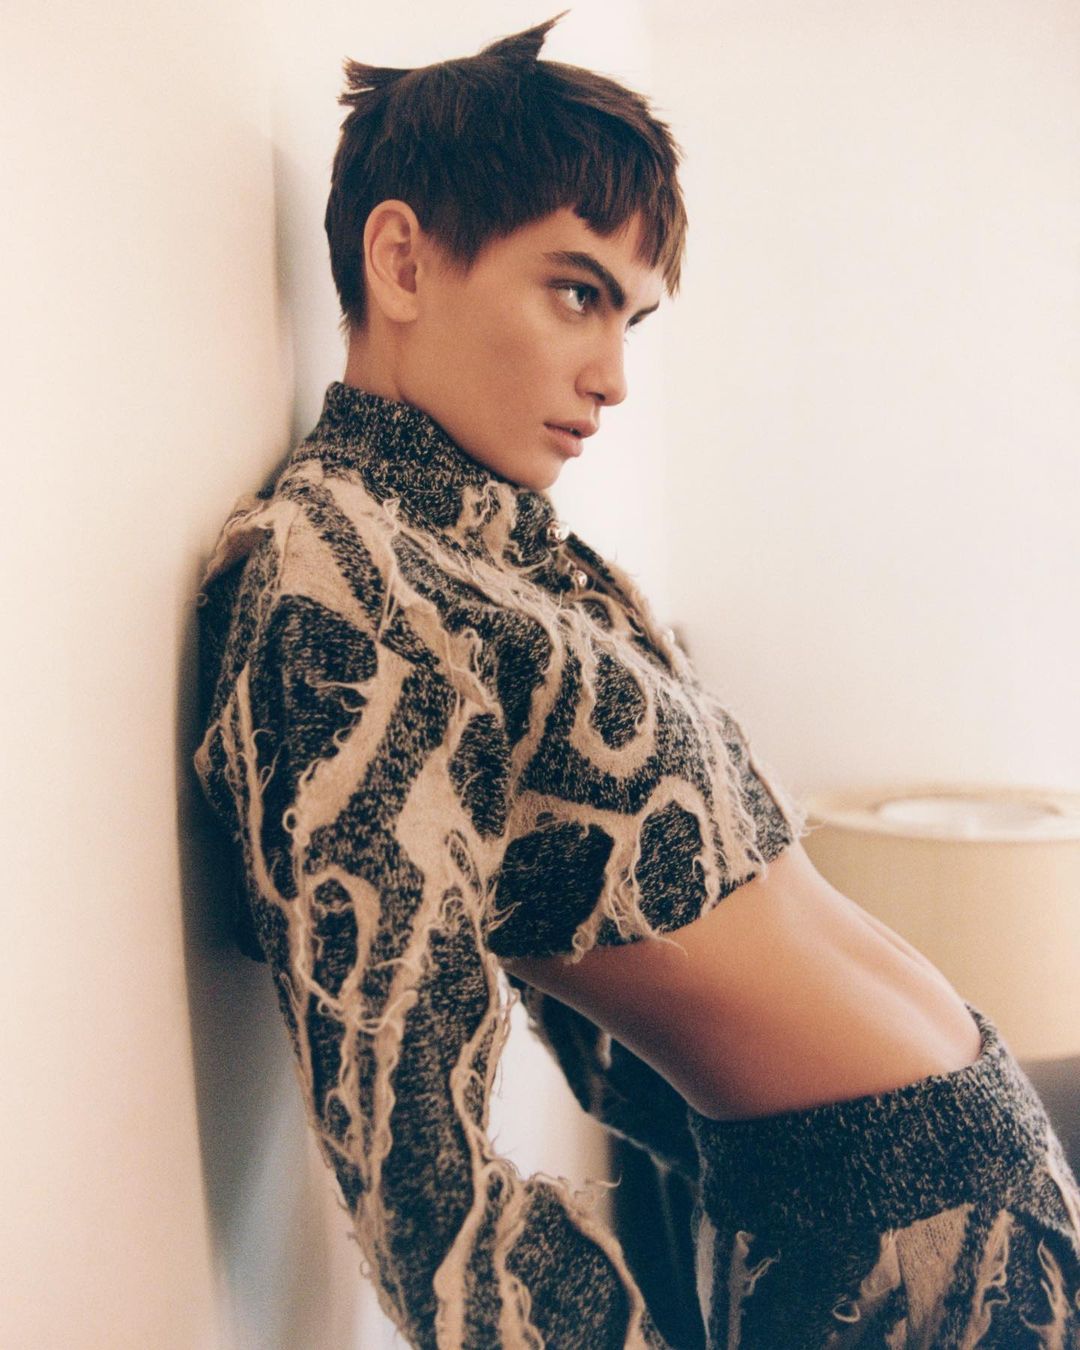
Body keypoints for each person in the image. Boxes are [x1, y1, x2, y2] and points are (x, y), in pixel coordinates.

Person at [192, 12, 1080, 1347]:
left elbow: (613, 978)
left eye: (632, 317)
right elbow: (422, 1182)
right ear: (402, 259)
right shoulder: (339, 585)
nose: (611, 378)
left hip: (936, 1210)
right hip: (881, 1260)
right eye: (575, 291)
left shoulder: (505, 546)